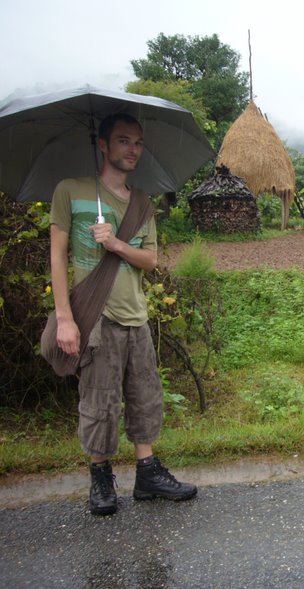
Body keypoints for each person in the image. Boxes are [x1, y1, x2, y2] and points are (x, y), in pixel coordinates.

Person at [49, 113, 197, 516]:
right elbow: (57, 256)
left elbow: (149, 260)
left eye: (137, 142)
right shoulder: (71, 191)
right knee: (99, 400)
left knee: (145, 396)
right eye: (123, 141)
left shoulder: (143, 203)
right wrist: (64, 318)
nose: (132, 149)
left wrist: (114, 243)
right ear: (102, 145)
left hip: (136, 314)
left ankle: (147, 473)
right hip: (95, 316)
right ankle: (100, 478)